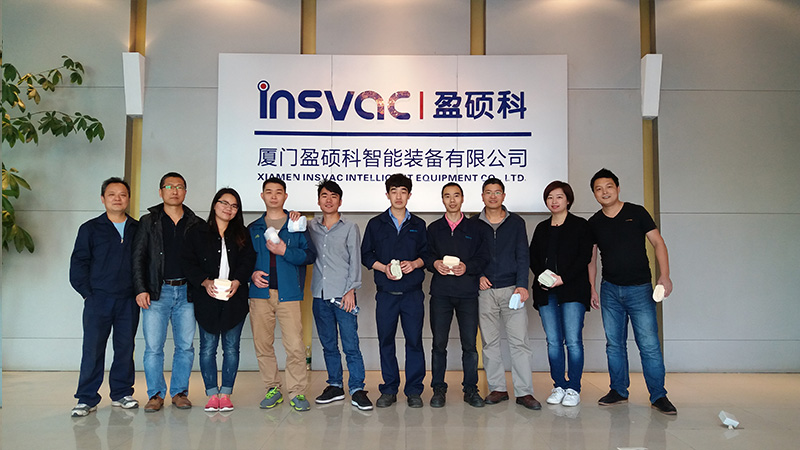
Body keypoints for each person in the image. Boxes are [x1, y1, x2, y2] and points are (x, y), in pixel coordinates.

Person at [588, 168, 677, 415]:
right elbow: (591, 258)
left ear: (617, 188)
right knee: (614, 345)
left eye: (609, 186)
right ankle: (618, 390)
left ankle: (659, 395)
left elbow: (658, 242)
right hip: (609, 291)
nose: (604, 192)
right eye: (598, 189)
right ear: (594, 194)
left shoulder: (636, 213)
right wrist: (592, 288)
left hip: (640, 290)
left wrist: (665, 275)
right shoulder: (594, 222)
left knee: (649, 345)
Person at [133, 172, 204, 412]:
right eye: (169, 186)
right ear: (161, 191)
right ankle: (155, 394)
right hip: (157, 292)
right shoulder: (148, 221)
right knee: (154, 347)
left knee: (185, 346)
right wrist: (141, 289)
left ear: (185, 192)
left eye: (179, 187)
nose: (175, 191)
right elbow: (138, 258)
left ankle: (180, 392)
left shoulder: (196, 223)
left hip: (187, 293)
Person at [69, 177, 140, 417]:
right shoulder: (90, 228)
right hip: (98, 299)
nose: (117, 198)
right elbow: (79, 263)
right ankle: (86, 398)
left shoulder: (137, 228)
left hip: (128, 300)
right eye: (112, 194)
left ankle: (121, 393)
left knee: (125, 348)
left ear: (128, 199)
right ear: (103, 199)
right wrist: (88, 294)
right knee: (93, 349)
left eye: (122, 194)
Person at [182, 188, 255, 412]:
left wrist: (238, 280)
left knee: (231, 348)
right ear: (215, 204)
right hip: (207, 297)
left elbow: (248, 261)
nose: (228, 208)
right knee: (207, 348)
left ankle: (226, 393)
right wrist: (203, 282)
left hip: (234, 297)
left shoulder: (242, 234)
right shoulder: (197, 232)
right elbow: (187, 262)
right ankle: (212, 394)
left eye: (234, 206)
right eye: (224, 203)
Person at [248, 177, 316, 412]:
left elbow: (309, 256)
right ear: (262, 196)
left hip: (289, 293)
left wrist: (285, 250)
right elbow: (243, 260)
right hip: (260, 294)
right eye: (269, 192)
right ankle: (272, 389)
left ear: (285, 196)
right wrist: (251, 274)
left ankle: (297, 392)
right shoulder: (254, 228)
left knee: (295, 345)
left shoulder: (296, 224)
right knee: (263, 344)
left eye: (279, 192)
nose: (274, 196)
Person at [361, 174, 429, 408]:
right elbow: (366, 255)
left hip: (412, 294)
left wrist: (415, 264)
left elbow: (427, 255)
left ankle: (414, 390)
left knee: (414, 342)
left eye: (403, 191)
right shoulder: (376, 224)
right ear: (387, 194)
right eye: (394, 191)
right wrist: (383, 268)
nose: (398, 196)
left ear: (409, 195)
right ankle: (389, 389)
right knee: (386, 341)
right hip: (386, 294)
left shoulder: (418, 224)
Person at [473, 178, 540, 410]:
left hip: (513, 289)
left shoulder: (516, 222)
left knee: (519, 342)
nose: (493, 196)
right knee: (490, 343)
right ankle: (497, 388)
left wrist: (522, 285)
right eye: (488, 192)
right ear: (482, 196)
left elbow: (523, 255)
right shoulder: (474, 223)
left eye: (497, 192)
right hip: (485, 291)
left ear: (504, 195)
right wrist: (478, 275)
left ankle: (524, 392)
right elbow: (471, 255)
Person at [530, 180, 596, 408]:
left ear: (568, 199)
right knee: (553, 341)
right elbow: (533, 257)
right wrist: (544, 278)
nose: (554, 201)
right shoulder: (542, 228)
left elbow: (584, 257)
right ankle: (559, 385)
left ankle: (573, 388)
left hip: (573, 291)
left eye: (559, 196)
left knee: (574, 341)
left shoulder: (580, 225)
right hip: (546, 292)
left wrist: (563, 278)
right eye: (550, 197)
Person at [307, 180, 372, 411]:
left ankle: (357, 388)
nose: (329, 200)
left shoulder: (350, 227)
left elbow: (355, 260)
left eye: (333, 196)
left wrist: (351, 289)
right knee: (328, 345)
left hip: (344, 296)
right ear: (318, 200)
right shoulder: (310, 226)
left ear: (340, 201)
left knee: (350, 344)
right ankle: (335, 385)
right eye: (324, 195)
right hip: (319, 295)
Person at [426, 182, 491, 408]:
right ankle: (438, 389)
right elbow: (426, 255)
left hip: (467, 294)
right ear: (442, 200)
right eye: (447, 196)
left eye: (456, 196)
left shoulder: (476, 228)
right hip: (441, 294)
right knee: (439, 344)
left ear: (462, 199)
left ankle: (471, 389)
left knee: (470, 345)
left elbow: (484, 257)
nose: (452, 200)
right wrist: (435, 263)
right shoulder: (434, 228)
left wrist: (468, 267)